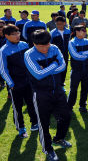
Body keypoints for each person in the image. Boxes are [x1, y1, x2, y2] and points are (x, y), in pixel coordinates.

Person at [24, 30, 71, 161]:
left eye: (47, 44)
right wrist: (54, 64)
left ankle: (59, 138)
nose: (45, 48)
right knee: (43, 123)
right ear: (34, 43)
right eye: (41, 46)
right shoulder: (29, 54)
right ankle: (48, 149)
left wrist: (46, 68)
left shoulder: (54, 48)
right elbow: (38, 75)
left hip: (58, 90)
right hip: (41, 94)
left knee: (66, 116)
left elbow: (63, 65)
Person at [0, 25, 38, 138]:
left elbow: (30, 61)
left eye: (18, 33)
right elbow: (2, 69)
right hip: (15, 84)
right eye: (14, 34)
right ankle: (21, 128)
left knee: (31, 103)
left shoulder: (24, 44)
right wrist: (11, 84)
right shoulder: (3, 51)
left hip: (28, 81)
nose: (17, 36)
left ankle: (35, 123)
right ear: (6, 36)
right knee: (17, 107)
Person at [68, 25, 88, 113]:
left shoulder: (87, 41)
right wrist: (86, 55)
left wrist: (82, 53)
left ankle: (82, 105)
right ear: (77, 31)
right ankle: (70, 107)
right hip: (76, 70)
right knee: (73, 89)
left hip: (87, 70)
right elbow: (76, 56)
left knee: (85, 88)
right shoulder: (71, 42)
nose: (85, 32)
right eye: (83, 30)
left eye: (85, 30)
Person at [50, 16, 71, 86]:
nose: (59, 25)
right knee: (57, 68)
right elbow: (50, 45)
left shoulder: (68, 31)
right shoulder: (52, 33)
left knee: (64, 67)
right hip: (55, 55)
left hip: (65, 54)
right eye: (57, 24)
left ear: (64, 23)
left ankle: (62, 81)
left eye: (60, 24)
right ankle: (57, 82)